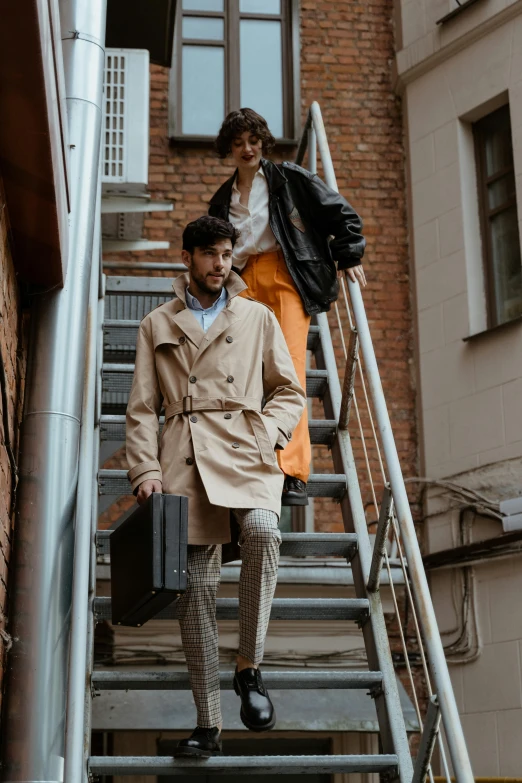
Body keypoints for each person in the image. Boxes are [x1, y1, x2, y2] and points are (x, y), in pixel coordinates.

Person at [125, 215, 306, 758]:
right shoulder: (157, 323)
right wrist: (146, 471)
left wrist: (269, 433)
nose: (219, 264)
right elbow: (140, 409)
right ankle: (209, 725)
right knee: (197, 596)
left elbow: (289, 391)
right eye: (208, 254)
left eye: (227, 254)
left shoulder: (256, 316)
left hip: (246, 453)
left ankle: (249, 666)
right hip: (183, 458)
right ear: (188, 258)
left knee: (263, 533)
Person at [209, 108, 367, 507]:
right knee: (241, 373)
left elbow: (341, 213)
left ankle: (291, 471)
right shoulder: (221, 200)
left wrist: (348, 255)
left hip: (284, 275)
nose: (247, 149)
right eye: (238, 143)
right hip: (241, 282)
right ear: (229, 148)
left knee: (289, 369)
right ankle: (247, 465)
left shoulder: (289, 179)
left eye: (253, 141)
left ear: (263, 142)